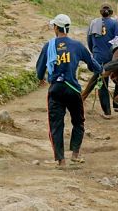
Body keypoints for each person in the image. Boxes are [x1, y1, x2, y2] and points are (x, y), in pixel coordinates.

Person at [35, 14, 103, 166]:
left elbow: (39, 72)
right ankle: (75, 154)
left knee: (56, 125)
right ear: (68, 28)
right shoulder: (77, 45)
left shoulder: (49, 46)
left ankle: (61, 161)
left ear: (55, 28)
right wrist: (101, 69)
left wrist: (43, 79)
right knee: (78, 121)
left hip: (56, 90)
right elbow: (93, 65)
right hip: (73, 89)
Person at [87, 4, 118, 119]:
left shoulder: (93, 23)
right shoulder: (115, 23)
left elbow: (89, 40)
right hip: (111, 57)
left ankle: (107, 112)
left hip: (98, 57)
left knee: (102, 84)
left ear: (100, 12)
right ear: (111, 13)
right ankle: (117, 104)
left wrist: (94, 52)